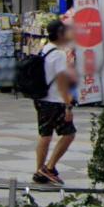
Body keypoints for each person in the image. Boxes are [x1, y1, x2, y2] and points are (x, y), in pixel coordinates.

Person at [32, 19, 77, 186]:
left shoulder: (44, 50)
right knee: (69, 134)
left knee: (45, 135)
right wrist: (68, 106)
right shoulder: (58, 55)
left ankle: (39, 171)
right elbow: (62, 83)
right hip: (54, 101)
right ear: (60, 34)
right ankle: (49, 167)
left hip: (41, 100)